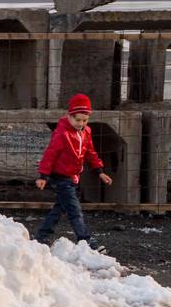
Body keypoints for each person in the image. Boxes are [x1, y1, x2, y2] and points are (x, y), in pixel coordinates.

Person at [34, 93, 113, 247]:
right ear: (69, 116)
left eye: (85, 120)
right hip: (60, 176)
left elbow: (90, 152)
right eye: (77, 120)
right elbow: (50, 155)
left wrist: (100, 171)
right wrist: (43, 176)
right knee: (74, 209)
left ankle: (41, 236)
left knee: (59, 208)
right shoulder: (62, 134)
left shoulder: (86, 132)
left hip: (72, 176)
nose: (81, 123)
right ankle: (85, 240)